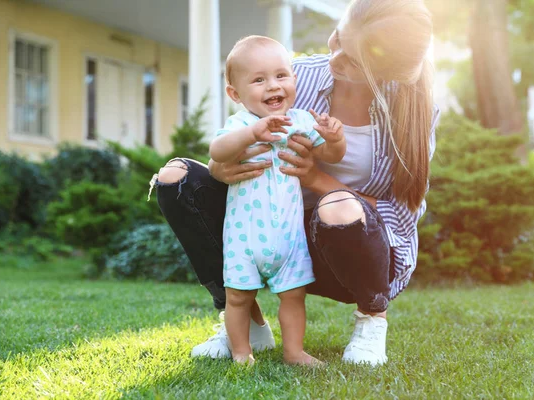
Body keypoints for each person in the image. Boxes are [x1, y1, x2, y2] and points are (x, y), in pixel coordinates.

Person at [152, 0, 440, 366]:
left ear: (386, 74)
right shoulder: (292, 76)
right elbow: (234, 135)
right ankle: (245, 322)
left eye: (351, 60)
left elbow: (401, 212)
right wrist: (220, 169)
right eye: (337, 37)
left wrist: (318, 179)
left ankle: (371, 320)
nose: (333, 57)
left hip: (342, 248)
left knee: (337, 206)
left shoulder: (412, 111)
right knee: (176, 179)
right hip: (264, 228)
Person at [209, 35, 346, 365]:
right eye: (259, 80)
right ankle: (242, 352)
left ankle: (294, 351)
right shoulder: (240, 124)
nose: (273, 86)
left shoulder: (300, 121)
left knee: (294, 296)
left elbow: (332, 156)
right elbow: (217, 151)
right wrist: (252, 134)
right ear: (235, 94)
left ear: (294, 79)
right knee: (238, 298)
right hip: (245, 240)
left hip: (288, 237)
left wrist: (334, 138)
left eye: (281, 75)